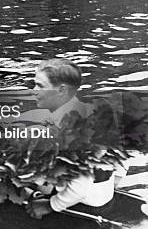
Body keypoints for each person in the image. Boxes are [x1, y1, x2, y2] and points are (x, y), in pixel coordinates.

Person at [27, 58, 126, 219]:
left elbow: (80, 188)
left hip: (80, 210)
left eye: (40, 86)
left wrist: (50, 205)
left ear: (61, 90)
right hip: (104, 202)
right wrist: (112, 183)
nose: (33, 90)